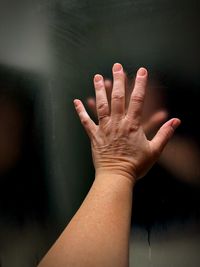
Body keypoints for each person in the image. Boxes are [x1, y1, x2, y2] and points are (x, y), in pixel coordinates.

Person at [38, 63, 180, 267]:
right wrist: (118, 160)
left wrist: (120, 160)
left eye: (149, 95)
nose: (139, 100)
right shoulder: (103, 136)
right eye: (135, 92)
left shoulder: (178, 133)